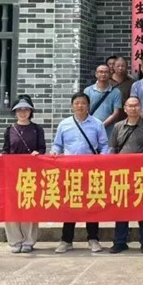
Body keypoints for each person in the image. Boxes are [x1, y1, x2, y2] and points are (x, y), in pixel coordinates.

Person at [52, 92, 109, 254]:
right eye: (76, 103)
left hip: (91, 170)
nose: (80, 106)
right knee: (70, 205)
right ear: (72, 106)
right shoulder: (64, 124)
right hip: (70, 171)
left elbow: (104, 145)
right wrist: (54, 152)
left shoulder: (97, 124)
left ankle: (93, 239)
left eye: (83, 103)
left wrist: (102, 158)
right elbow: (57, 145)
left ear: (88, 106)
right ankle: (66, 240)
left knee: (92, 204)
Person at [109, 96, 143, 254]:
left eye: (136, 105)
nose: (133, 108)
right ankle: (120, 241)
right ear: (125, 109)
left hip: (142, 175)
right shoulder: (118, 127)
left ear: (140, 107)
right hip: (122, 175)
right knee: (122, 209)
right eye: (130, 106)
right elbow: (112, 150)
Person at [0, 95, 45, 254]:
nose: (23, 113)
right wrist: (1, 156)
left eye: (26, 109)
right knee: (12, 206)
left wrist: (37, 153)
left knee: (29, 204)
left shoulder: (37, 129)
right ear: (15, 112)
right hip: (12, 173)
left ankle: (29, 241)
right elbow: (6, 150)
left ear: (31, 111)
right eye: (19, 110)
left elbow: (42, 148)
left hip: (31, 173)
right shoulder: (10, 130)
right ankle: (15, 240)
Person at [84, 64, 123, 139]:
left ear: (110, 74)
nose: (103, 74)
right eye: (101, 72)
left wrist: (102, 125)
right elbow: (85, 110)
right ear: (96, 74)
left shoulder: (116, 92)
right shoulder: (88, 90)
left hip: (109, 130)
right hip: (91, 128)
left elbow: (116, 113)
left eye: (106, 72)